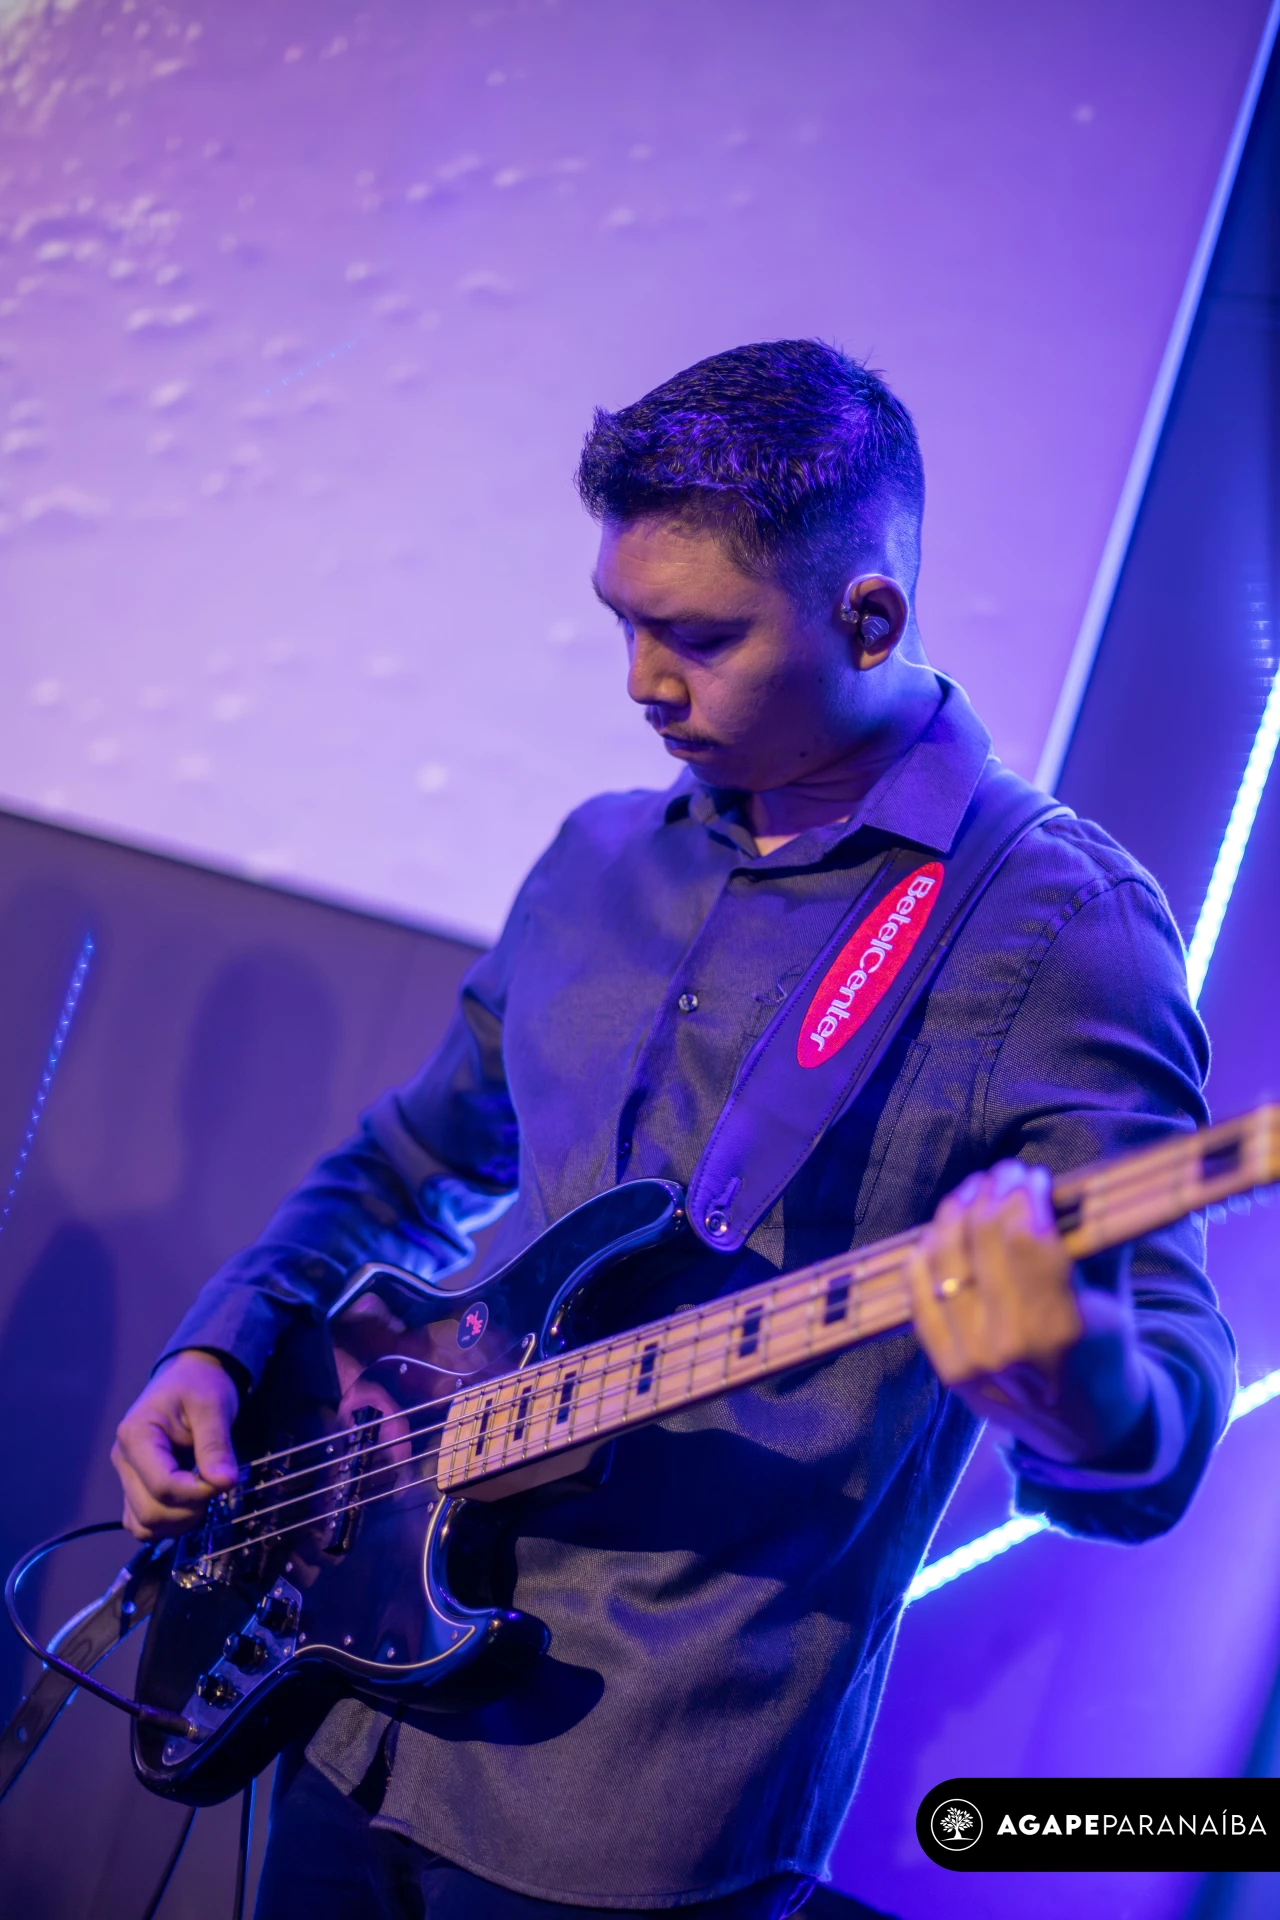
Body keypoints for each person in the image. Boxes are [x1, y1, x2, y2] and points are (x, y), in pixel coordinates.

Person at [111, 341, 1235, 1920]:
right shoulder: (596, 858)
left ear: (870, 617)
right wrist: (224, 1343)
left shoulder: (1062, 930)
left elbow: (1166, 1407)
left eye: (699, 637)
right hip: (351, 1708)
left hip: (634, 1810)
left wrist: (1080, 1390)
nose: (643, 682)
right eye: (624, 624)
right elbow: (409, 1169)